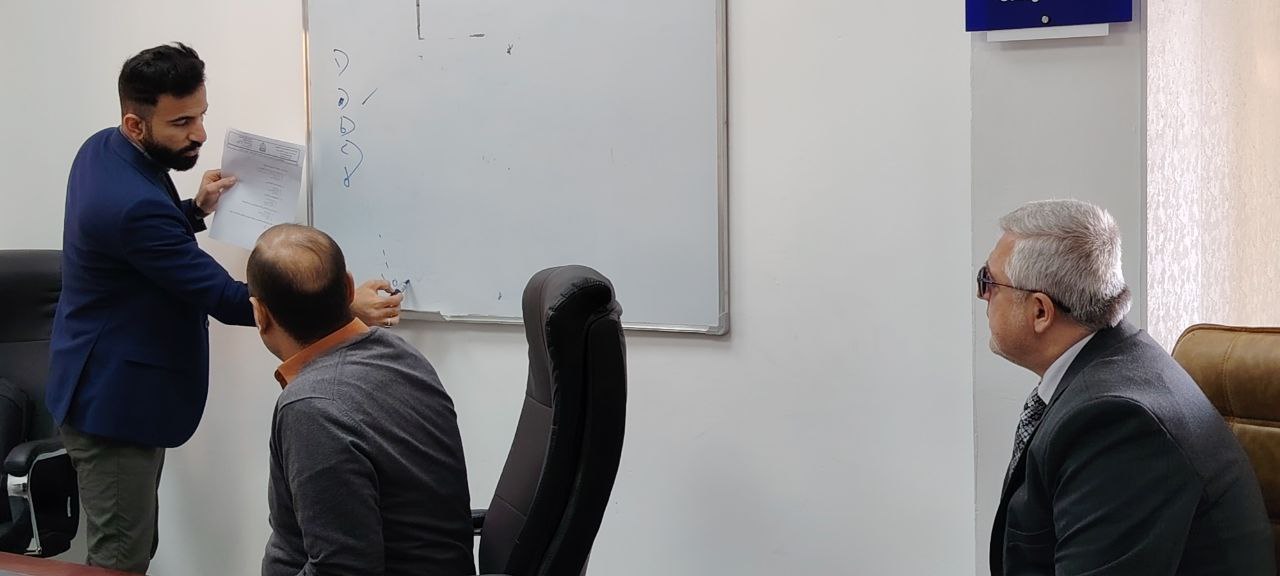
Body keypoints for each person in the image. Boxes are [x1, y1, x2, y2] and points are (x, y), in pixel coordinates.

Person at [46, 43, 403, 573]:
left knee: (131, 545)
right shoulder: (131, 209)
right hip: (113, 407)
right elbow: (229, 298)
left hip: (104, 377)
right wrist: (344, 307)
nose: (200, 134)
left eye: (201, 115)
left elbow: (137, 242)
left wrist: (194, 209)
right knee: (120, 559)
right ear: (135, 124)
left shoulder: (102, 149)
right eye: (182, 122)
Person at [981, 199, 1274, 574]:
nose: (983, 295)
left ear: (1040, 311)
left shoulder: (1116, 421)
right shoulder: (1111, 367)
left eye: (988, 282)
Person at [247, 224, 474, 576]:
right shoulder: (400, 354)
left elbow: (343, 569)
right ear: (350, 287)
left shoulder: (312, 408)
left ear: (260, 314)